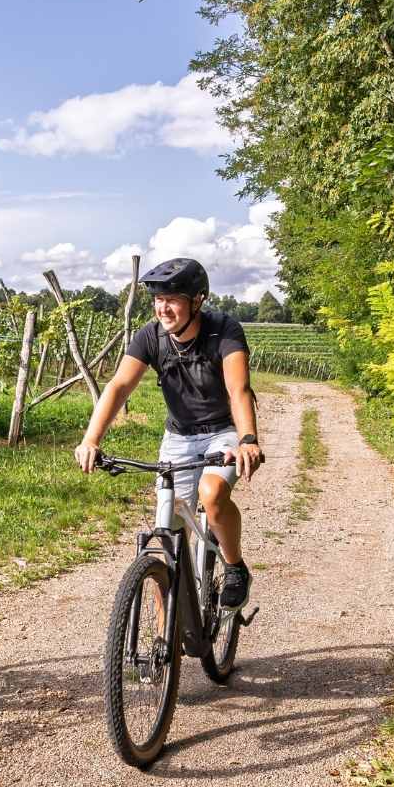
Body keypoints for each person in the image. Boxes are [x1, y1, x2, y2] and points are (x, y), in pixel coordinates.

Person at [73, 257, 263, 609]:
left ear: (197, 301)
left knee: (211, 493)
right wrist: (91, 439)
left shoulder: (224, 331)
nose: (163, 308)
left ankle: (235, 568)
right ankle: (166, 638)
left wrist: (248, 439)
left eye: (173, 299)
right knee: (168, 544)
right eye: (158, 299)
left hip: (223, 431)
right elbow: (118, 386)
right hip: (178, 437)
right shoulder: (151, 336)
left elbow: (239, 390)